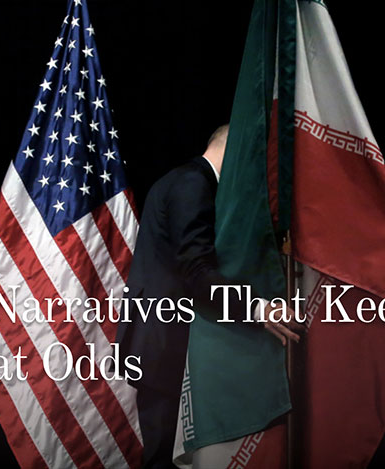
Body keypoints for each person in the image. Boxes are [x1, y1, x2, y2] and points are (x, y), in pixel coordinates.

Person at [115, 125, 304, 469]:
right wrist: (258, 308)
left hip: (159, 342)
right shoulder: (193, 184)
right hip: (165, 344)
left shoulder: (182, 180)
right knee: (163, 460)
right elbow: (197, 272)